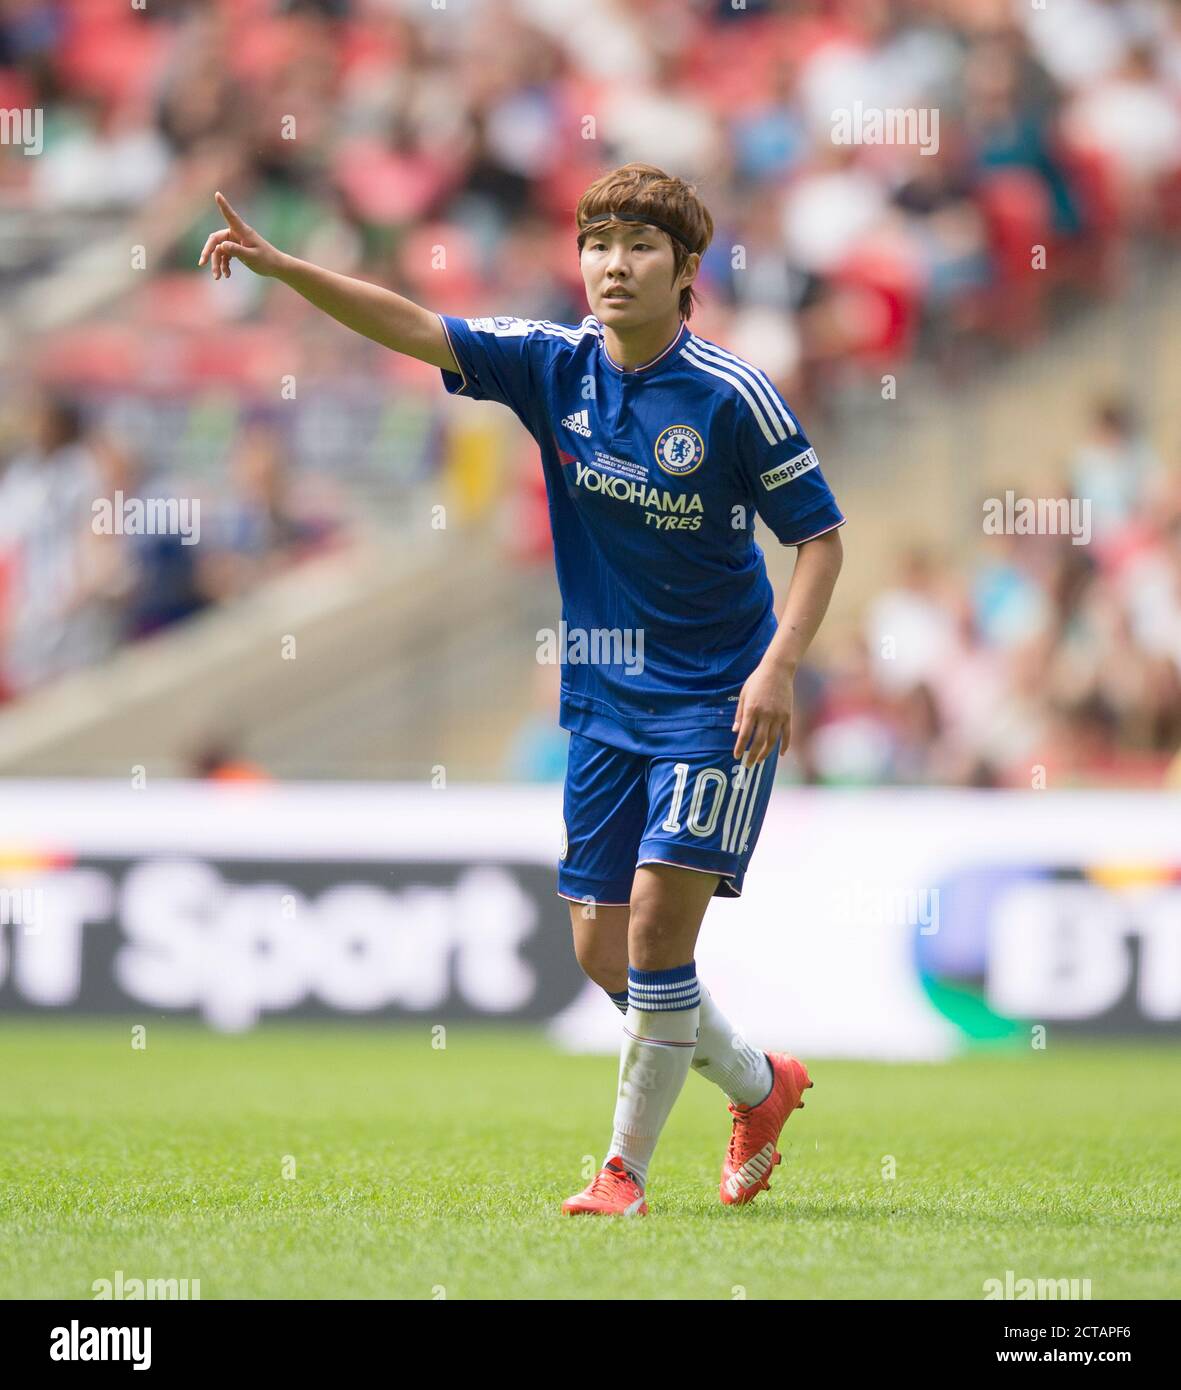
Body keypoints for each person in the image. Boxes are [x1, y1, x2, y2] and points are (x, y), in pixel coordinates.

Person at [200, 162, 845, 1216]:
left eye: (639, 246)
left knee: (650, 934)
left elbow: (817, 537)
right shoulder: (553, 367)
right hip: (602, 702)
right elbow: (414, 326)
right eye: (597, 244)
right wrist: (283, 268)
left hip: (718, 702)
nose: (612, 264)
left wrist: (778, 668)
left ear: (685, 271)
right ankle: (760, 1085)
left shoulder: (732, 396)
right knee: (600, 951)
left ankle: (621, 1174)